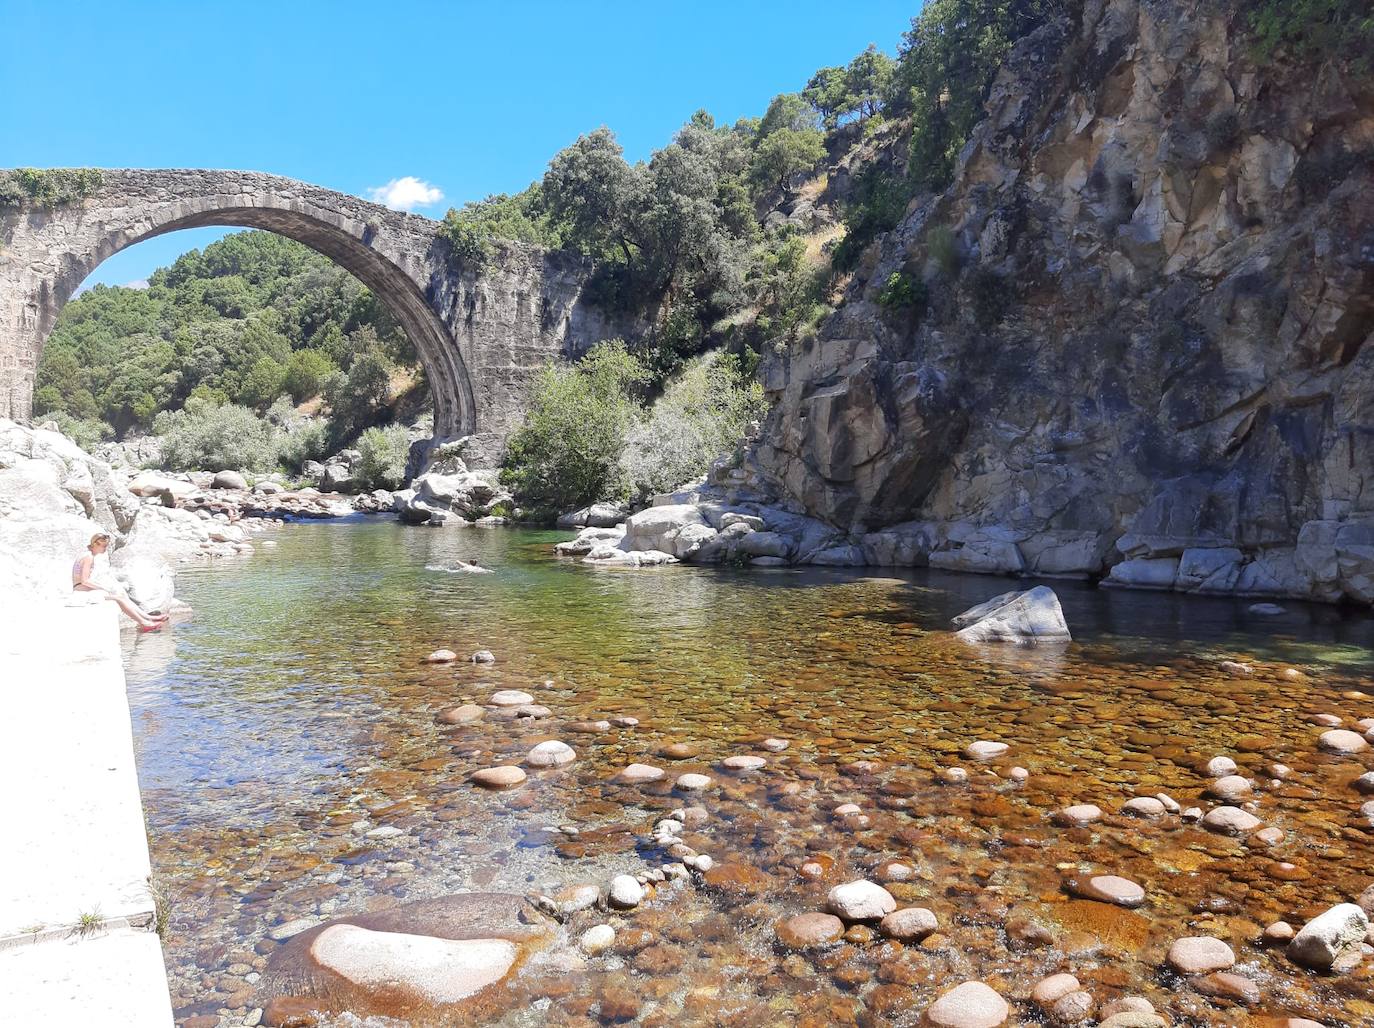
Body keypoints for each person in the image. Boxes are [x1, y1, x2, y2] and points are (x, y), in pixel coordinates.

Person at [72, 532, 168, 631]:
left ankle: (148, 617)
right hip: (82, 593)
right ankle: (144, 622)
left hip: (83, 590)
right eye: (104, 546)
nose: (105, 549)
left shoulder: (86, 554)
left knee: (121, 596)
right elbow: (84, 580)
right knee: (119, 599)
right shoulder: (89, 557)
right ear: (96, 544)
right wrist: (102, 588)